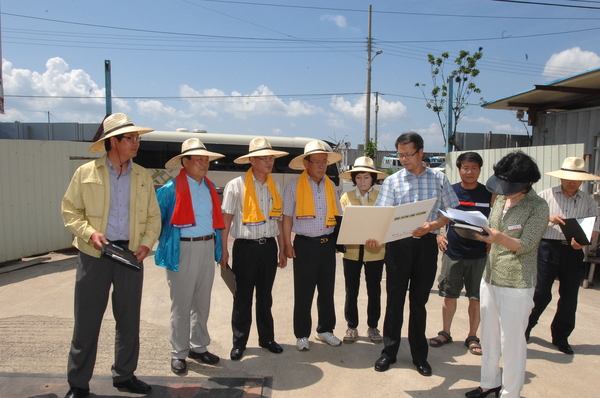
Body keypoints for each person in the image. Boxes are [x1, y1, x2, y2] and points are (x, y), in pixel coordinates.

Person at [61, 113, 161, 398]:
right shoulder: (86, 173)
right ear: (113, 142)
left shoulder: (142, 175)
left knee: (129, 319)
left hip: (132, 255)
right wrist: (91, 234)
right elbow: (70, 211)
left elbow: (154, 216)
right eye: (130, 138)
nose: (136, 143)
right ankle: (78, 384)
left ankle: (125, 375)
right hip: (95, 253)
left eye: (137, 137)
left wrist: (145, 244)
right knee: (87, 320)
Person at [366, 132, 459, 376]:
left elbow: (451, 211)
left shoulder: (439, 179)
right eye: (400, 154)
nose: (403, 159)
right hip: (398, 246)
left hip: (426, 245)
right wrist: (376, 234)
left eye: (408, 154)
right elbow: (382, 214)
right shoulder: (392, 181)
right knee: (394, 301)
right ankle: (389, 353)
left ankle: (420, 356)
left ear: (421, 152)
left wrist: (432, 226)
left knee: (419, 302)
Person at [466, 151, 549, 398]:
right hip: (490, 276)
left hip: (517, 282)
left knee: (512, 341)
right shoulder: (501, 199)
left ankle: (510, 392)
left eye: (510, 185)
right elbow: (491, 226)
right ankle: (489, 383)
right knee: (489, 336)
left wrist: (497, 237)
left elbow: (526, 245)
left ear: (528, 183)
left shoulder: (538, 207)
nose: (504, 189)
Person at [155, 138, 225, 375]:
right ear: (185, 162)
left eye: (206, 159)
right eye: (199, 159)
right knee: (182, 304)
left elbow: (217, 223)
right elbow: (157, 221)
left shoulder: (209, 188)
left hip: (207, 247)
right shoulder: (169, 190)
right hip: (182, 249)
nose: (205, 163)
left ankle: (198, 346)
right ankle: (178, 352)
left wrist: (220, 250)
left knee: (202, 303)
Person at [220, 137, 289, 361]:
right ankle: (239, 342)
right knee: (242, 297)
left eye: (271, 157)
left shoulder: (275, 185)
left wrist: (282, 248)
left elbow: (278, 220)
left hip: (268, 247)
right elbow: (226, 220)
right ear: (252, 160)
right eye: (264, 157)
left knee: (265, 296)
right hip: (245, 248)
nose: (269, 161)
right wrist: (223, 249)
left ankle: (266, 339)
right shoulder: (236, 185)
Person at [525, 157, 600, 355]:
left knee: (569, 296)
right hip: (548, 247)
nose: (572, 182)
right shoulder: (545, 196)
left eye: (576, 178)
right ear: (561, 177)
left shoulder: (588, 201)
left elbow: (594, 229)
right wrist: (548, 218)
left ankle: (561, 336)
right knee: (540, 292)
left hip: (574, 251)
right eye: (568, 178)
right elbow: (531, 222)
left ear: (583, 179)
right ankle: (525, 328)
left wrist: (584, 242)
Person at [282, 140, 343, 351]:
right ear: (306, 163)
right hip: (305, 245)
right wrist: (287, 244)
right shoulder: (293, 186)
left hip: (327, 245)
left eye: (324, 162)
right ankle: (301, 334)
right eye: (316, 161)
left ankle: (325, 330)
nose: (321, 166)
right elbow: (287, 217)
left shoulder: (331, 185)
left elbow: (337, 215)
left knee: (327, 291)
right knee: (303, 292)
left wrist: (338, 242)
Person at [429, 152, 492, 356]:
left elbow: (496, 221)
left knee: (476, 298)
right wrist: (438, 235)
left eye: (474, 168)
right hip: (453, 252)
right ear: (459, 170)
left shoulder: (489, 194)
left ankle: (472, 336)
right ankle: (445, 332)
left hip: (479, 255)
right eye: (465, 167)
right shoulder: (451, 192)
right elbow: (437, 215)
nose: (469, 172)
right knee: (449, 295)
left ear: (480, 170)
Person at [338, 156, 388, 344]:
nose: (362, 181)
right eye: (358, 178)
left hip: (376, 251)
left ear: (373, 179)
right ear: (353, 179)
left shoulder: (382, 197)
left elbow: (385, 223)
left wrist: (379, 238)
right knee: (352, 289)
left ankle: (373, 326)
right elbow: (342, 224)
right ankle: (352, 326)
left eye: (366, 177)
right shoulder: (346, 197)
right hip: (351, 251)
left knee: (374, 289)